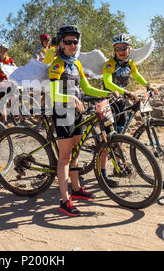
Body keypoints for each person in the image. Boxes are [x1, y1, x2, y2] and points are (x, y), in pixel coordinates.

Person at [49, 25, 119, 217]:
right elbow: (54, 93)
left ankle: (77, 189)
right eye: (68, 42)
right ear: (61, 44)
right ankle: (64, 200)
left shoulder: (76, 64)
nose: (73, 45)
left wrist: (107, 92)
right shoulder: (57, 64)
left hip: (78, 111)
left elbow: (87, 88)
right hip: (63, 113)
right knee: (64, 158)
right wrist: (70, 98)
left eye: (75, 42)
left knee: (76, 153)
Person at [100, 33, 159, 187]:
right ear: (114, 50)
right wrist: (126, 92)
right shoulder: (109, 64)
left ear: (129, 49)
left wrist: (148, 85)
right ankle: (102, 175)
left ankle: (118, 167)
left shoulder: (130, 63)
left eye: (124, 48)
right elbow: (108, 82)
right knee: (108, 141)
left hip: (121, 103)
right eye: (118, 48)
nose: (121, 51)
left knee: (119, 136)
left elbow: (137, 75)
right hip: (108, 103)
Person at [0, 44, 17, 123]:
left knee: (9, 99)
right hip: (0, 82)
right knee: (1, 101)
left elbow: (15, 68)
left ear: (6, 51)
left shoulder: (9, 59)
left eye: (4, 50)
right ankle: (4, 120)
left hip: (9, 81)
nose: (3, 52)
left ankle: (15, 119)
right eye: (1, 50)